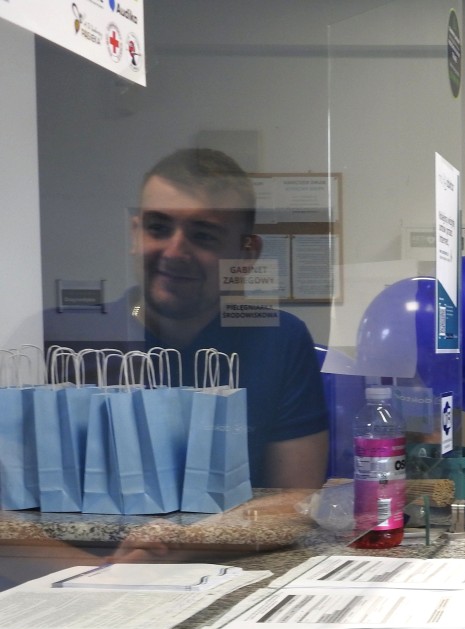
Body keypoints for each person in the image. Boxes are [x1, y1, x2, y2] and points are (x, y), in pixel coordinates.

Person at [45, 147, 329, 490]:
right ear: (135, 234)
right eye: (158, 228)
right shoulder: (66, 337)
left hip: (234, 528)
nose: (175, 252)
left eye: (203, 235)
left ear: (246, 254)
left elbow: (294, 499)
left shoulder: (280, 339)